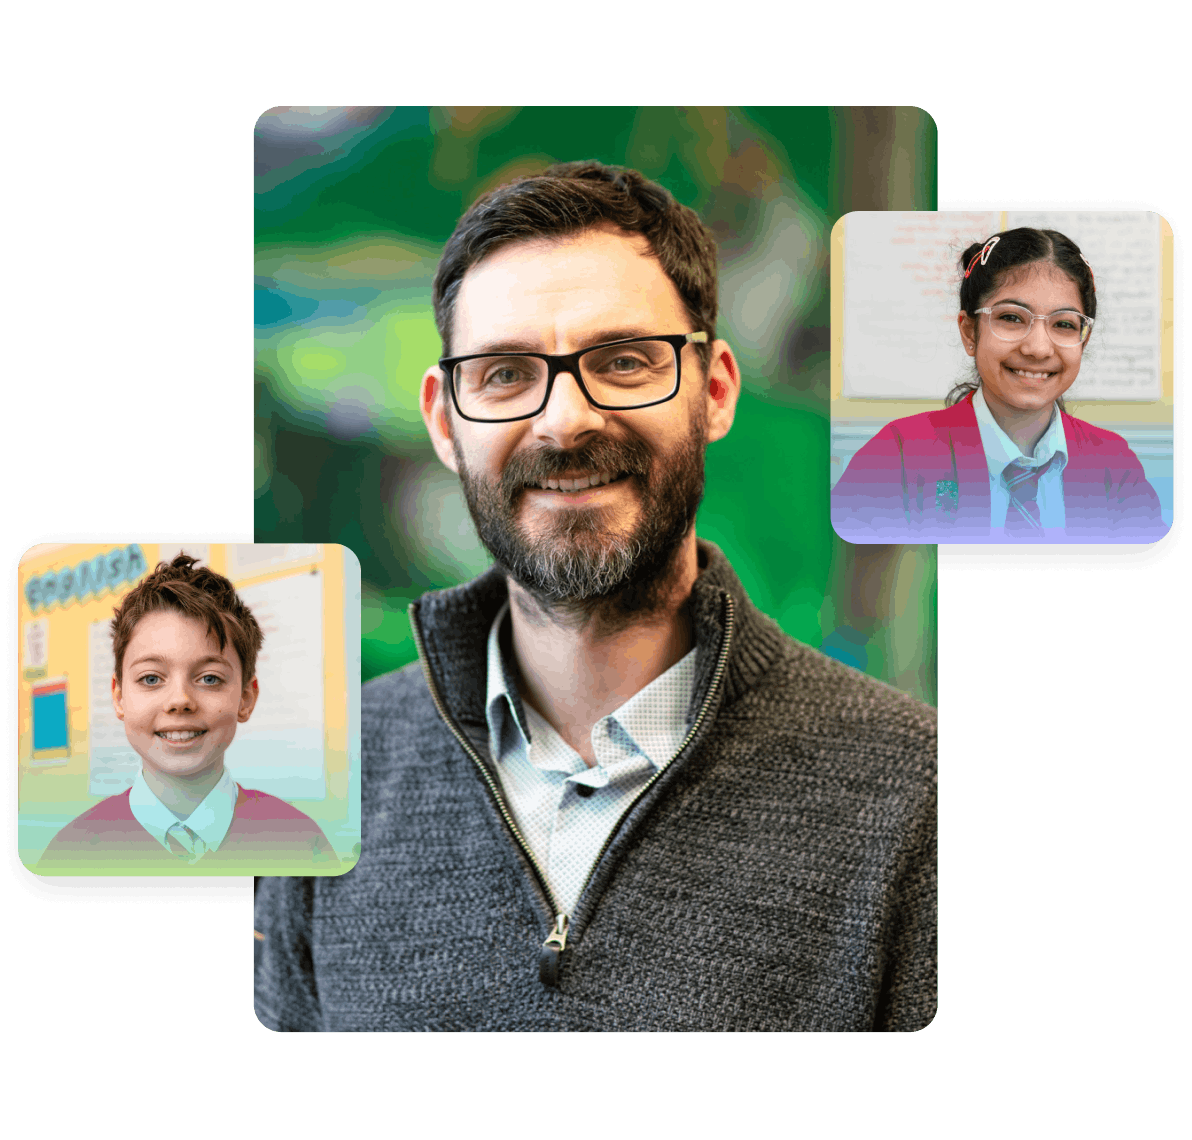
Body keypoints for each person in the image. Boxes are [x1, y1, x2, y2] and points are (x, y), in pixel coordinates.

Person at [254, 161, 937, 1031]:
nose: (564, 420)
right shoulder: (323, 781)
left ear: (715, 389)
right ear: (442, 420)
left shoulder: (915, 790)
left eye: (623, 362)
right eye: (505, 373)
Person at [831, 228, 1165, 543]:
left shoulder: (1115, 467)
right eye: (1011, 317)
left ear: (1083, 339)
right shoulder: (897, 457)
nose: (1038, 348)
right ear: (969, 332)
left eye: (1063, 324)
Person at [37, 556, 338, 872]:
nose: (179, 701)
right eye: (151, 678)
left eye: (209, 678)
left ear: (246, 698)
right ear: (119, 697)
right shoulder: (66, 855)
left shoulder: (302, 844)